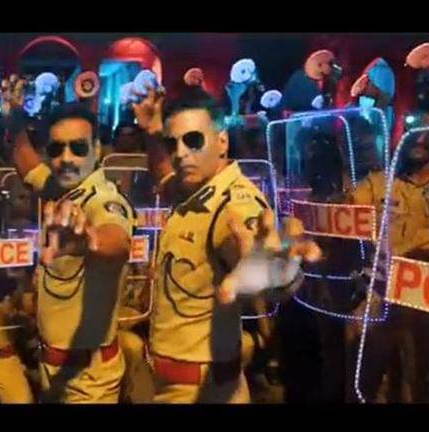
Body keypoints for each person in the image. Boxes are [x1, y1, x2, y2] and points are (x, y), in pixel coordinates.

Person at [132, 86, 321, 403]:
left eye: (193, 140)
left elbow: (257, 258)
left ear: (222, 142)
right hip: (174, 384)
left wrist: (275, 272)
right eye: (172, 143)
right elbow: (164, 177)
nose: (180, 153)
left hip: (202, 392)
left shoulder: (233, 205)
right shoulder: (197, 189)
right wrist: (152, 134)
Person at [8, 102, 135, 403]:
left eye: (78, 148)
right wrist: (13, 115)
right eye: (56, 149)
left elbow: (117, 241)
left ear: (97, 149)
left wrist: (88, 239)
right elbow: (27, 164)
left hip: (87, 379)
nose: (66, 158)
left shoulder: (103, 199)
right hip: (54, 369)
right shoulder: (61, 188)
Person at [347, 126, 429, 403]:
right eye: (413, 130)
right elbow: (346, 212)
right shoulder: (379, 183)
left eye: (427, 133)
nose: (419, 138)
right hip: (378, 297)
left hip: (421, 305)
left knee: (414, 386)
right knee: (362, 387)